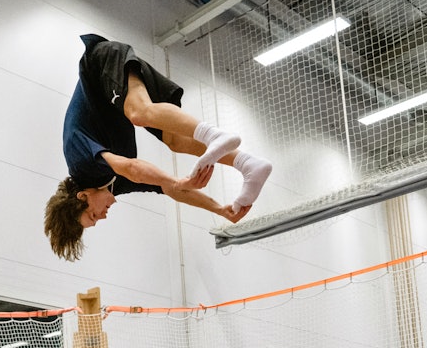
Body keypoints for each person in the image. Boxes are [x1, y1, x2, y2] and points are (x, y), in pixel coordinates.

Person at [44, 33, 274, 261]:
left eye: (92, 215)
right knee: (175, 140)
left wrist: (177, 181)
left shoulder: (80, 162)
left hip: (101, 64)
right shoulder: (111, 185)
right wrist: (219, 210)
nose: (102, 218)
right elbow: (168, 188)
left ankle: (214, 135)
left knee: (139, 113)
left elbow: (133, 168)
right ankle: (247, 164)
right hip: (118, 95)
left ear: (83, 196)